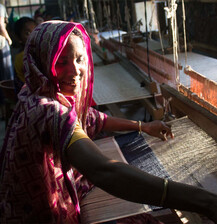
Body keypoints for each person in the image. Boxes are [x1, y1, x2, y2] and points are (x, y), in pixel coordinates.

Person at [0, 21, 217, 224]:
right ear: (42, 62)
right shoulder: (49, 111)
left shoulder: (33, 91)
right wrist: (203, 200)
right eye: (61, 61)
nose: (75, 72)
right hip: (43, 215)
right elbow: (104, 171)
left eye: (79, 59)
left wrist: (144, 126)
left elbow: (95, 118)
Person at [13, 16, 36, 94]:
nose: (33, 36)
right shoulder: (23, 57)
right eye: (28, 33)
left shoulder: (35, 52)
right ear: (19, 38)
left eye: (35, 31)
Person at [0, 2, 14, 118]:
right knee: (6, 75)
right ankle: (6, 109)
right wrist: (9, 39)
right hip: (1, 45)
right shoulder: (0, 7)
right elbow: (1, 25)